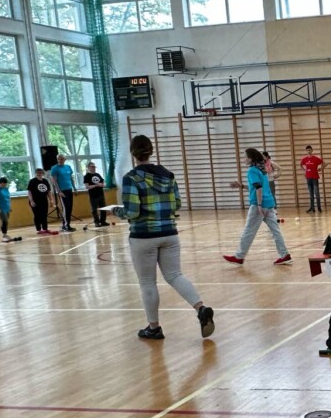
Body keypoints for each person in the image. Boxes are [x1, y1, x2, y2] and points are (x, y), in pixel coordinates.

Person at [113, 134, 215, 340]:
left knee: (147, 282)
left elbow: (132, 211)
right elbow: (177, 204)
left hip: (143, 236)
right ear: (151, 151)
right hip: (169, 233)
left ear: (133, 154)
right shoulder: (168, 175)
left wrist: (116, 211)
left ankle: (154, 327)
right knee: (175, 275)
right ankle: (200, 308)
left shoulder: (131, 178)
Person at [223, 147, 292, 266]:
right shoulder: (262, 169)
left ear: (251, 159)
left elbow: (259, 188)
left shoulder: (252, 171)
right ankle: (285, 255)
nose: (244, 159)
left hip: (258, 205)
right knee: (275, 231)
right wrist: (241, 186)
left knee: (248, 231)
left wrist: (259, 205)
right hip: (269, 203)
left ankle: (239, 256)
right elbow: (257, 187)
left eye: (245, 157)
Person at [50, 153, 76, 232]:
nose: (60, 160)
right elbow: (54, 181)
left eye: (62, 159)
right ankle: (66, 226)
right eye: (59, 159)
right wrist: (59, 191)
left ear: (65, 159)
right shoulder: (55, 168)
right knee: (66, 207)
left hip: (69, 189)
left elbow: (71, 178)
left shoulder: (68, 167)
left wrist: (74, 188)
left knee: (70, 207)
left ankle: (66, 224)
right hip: (62, 191)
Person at [28, 167, 56, 236]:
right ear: (36, 173)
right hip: (35, 201)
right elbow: (29, 191)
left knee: (44, 215)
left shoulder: (45, 181)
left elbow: (49, 191)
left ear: (43, 173)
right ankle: (39, 229)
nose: (39, 173)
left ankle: (45, 228)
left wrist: (51, 200)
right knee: (37, 215)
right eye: (38, 172)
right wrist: (31, 200)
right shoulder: (32, 181)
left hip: (44, 200)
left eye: (40, 172)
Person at [300, 145, 324, 213]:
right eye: (307, 150)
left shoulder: (316, 158)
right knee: (311, 194)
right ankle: (312, 208)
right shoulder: (304, 159)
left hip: (315, 177)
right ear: (306, 151)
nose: (308, 151)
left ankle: (319, 207)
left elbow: (324, 163)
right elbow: (301, 164)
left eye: (310, 150)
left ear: (312, 150)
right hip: (308, 177)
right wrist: (304, 170)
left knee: (316, 193)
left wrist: (321, 168)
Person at [84, 162, 108, 227]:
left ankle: (103, 221)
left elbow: (103, 183)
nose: (94, 168)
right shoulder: (87, 176)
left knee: (103, 208)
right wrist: (96, 185)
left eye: (94, 167)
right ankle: (96, 222)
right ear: (88, 168)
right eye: (92, 167)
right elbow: (87, 187)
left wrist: (102, 185)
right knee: (94, 209)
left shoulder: (98, 174)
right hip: (93, 195)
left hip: (101, 194)